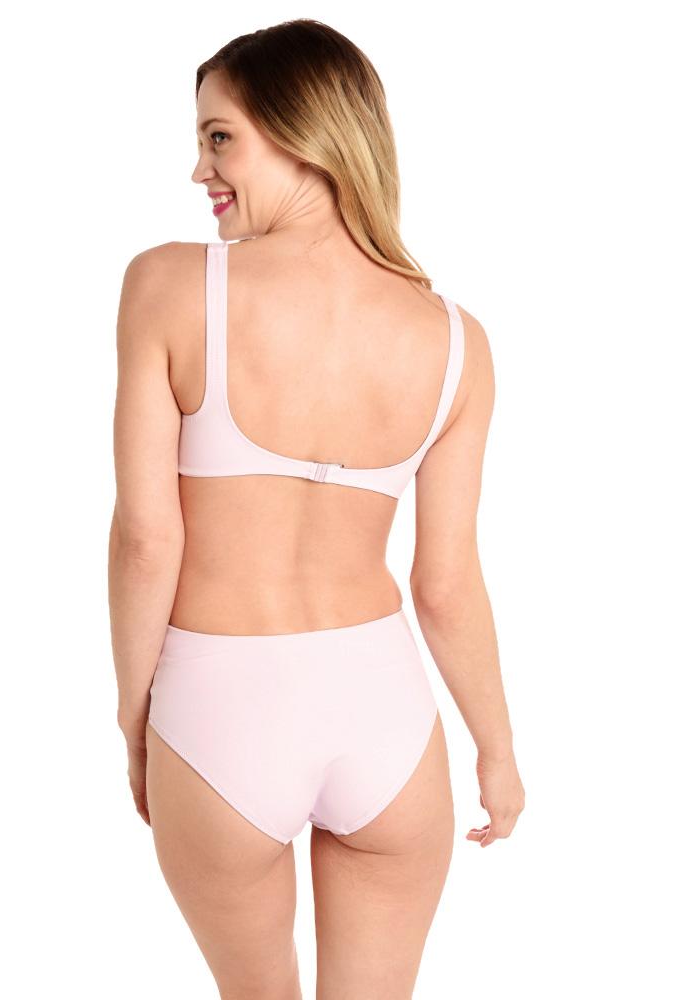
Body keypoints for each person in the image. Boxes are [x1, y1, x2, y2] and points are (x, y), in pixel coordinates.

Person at [108, 18, 524, 1000]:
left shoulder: (168, 285)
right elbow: (446, 584)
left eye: (220, 137)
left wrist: (135, 719)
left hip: (221, 705)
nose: (200, 169)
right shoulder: (455, 339)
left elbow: (146, 539)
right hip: (386, 715)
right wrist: (498, 752)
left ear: (303, 132)